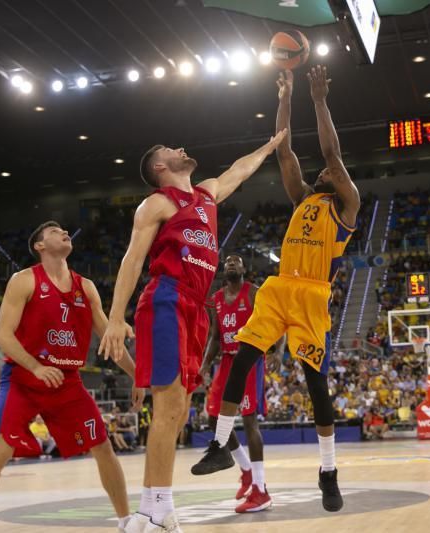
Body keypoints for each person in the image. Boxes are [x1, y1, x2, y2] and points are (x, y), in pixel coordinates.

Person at [191, 67, 359, 514]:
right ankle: (220, 445)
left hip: (311, 294)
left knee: (315, 382)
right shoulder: (303, 197)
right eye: (322, 170)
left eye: (331, 171)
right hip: (279, 287)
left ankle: (328, 472)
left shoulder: (347, 206)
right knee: (242, 357)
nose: (324, 169)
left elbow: (331, 151)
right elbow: (284, 151)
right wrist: (284, 96)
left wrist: (319, 100)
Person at [100, 128, 286, 532]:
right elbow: (133, 259)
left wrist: (269, 146)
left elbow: (239, 171)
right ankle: (153, 509)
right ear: (161, 166)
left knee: (180, 410)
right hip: (167, 298)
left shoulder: (205, 195)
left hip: (197, 308)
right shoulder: (157, 203)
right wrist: (116, 317)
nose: (182, 146)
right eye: (170, 147)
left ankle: (158, 505)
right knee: (168, 408)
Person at [0, 222, 144, 533]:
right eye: (55, 231)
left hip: (67, 381)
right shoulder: (24, 280)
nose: (64, 233)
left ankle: (126, 522)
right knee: (0, 451)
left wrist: (137, 376)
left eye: (65, 231)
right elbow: (3, 335)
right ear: (40, 246)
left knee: (103, 446)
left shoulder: (87, 287)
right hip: (24, 378)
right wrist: (35, 367)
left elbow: (111, 341)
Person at [196, 255, 285, 513]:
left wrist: (278, 352)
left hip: (250, 361)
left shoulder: (255, 293)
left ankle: (260, 489)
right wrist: (204, 364)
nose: (231, 264)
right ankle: (245, 469)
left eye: (236, 262)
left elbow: (278, 321)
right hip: (225, 362)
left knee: (249, 422)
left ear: (245, 269)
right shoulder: (217, 299)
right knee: (214, 419)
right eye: (227, 263)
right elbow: (215, 336)